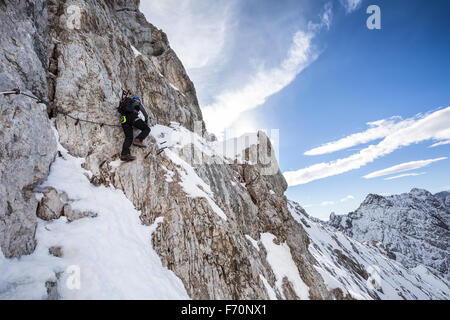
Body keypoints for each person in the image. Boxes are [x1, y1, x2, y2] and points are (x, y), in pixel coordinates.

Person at [119, 96, 151, 161]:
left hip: (123, 120)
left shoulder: (126, 105)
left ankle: (124, 154)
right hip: (132, 117)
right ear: (138, 100)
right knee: (147, 129)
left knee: (129, 137)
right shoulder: (136, 102)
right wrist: (145, 121)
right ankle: (138, 140)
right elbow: (145, 114)